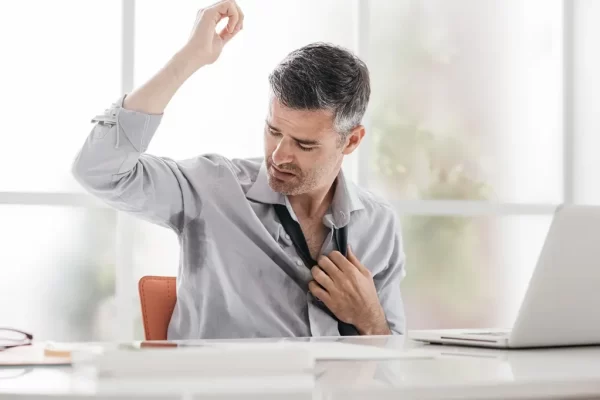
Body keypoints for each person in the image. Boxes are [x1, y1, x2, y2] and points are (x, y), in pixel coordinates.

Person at [72, 0, 406, 339]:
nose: (279, 155)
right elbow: (99, 170)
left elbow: (395, 370)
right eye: (273, 131)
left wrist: (370, 319)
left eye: (304, 145)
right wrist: (189, 59)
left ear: (351, 141)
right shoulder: (212, 189)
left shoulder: (379, 226)